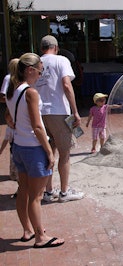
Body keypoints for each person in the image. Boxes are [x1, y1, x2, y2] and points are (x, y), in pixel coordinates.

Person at [5, 52, 64, 248]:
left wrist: (17, 127)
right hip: (33, 147)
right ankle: (40, 236)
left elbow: (8, 117)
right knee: (36, 196)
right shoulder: (31, 93)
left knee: (23, 190)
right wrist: (48, 151)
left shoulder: (13, 91)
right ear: (30, 70)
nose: (40, 75)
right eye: (40, 71)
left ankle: (28, 230)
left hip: (19, 146)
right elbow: (38, 126)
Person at [35, 35, 84, 203]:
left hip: (40, 113)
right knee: (65, 153)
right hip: (58, 111)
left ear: (41, 48)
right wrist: (75, 111)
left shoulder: (36, 62)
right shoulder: (61, 60)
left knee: (48, 152)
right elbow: (66, 84)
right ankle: (64, 192)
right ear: (56, 48)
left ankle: (48, 191)